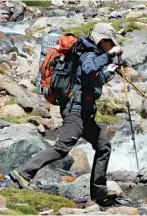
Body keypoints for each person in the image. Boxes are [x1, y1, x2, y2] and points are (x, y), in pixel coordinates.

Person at [9, 23, 123, 202]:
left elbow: (90, 79)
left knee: (103, 146)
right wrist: (110, 56)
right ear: (103, 41)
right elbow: (88, 70)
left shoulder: (87, 53)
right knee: (62, 148)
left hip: (82, 111)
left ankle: (99, 191)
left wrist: (108, 73)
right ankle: (23, 172)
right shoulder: (88, 53)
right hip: (75, 110)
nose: (112, 47)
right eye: (111, 44)